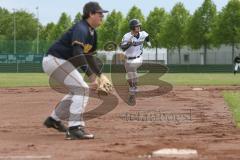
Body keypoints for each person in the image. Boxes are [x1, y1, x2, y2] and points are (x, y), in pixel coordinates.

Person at [42, 2, 111, 140]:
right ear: (91, 14)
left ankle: (54, 119)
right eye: (99, 14)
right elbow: (77, 52)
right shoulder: (81, 28)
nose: (102, 16)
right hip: (55, 60)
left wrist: (100, 75)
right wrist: (91, 76)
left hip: (61, 62)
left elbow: (89, 57)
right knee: (82, 89)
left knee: (77, 90)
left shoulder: (92, 33)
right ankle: (74, 128)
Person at [120, 19, 151, 106]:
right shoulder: (126, 36)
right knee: (130, 76)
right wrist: (129, 44)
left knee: (132, 67)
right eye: (137, 26)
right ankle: (132, 90)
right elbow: (122, 47)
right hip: (127, 58)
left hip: (138, 58)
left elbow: (147, 36)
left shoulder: (143, 34)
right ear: (132, 27)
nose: (138, 27)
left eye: (139, 26)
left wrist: (148, 43)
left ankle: (134, 88)